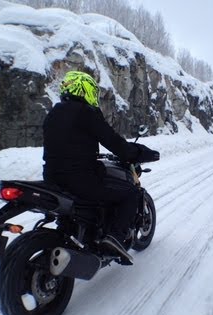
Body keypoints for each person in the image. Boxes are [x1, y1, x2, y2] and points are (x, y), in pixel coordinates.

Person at [42, 71, 153, 265]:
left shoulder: (53, 113)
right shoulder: (86, 112)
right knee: (131, 193)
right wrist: (139, 151)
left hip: (52, 178)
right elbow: (115, 143)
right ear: (85, 89)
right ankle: (115, 239)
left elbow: (68, 144)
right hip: (81, 180)